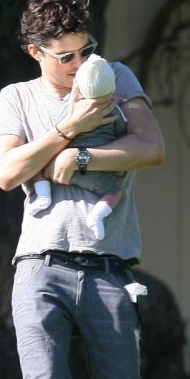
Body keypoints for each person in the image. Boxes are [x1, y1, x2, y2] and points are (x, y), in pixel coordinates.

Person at [0, 0, 164, 379]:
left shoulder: (116, 78)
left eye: (85, 49)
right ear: (34, 52)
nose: (79, 63)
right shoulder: (16, 97)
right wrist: (68, 130)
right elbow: (7, 172)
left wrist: (82, 156)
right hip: (39, 267)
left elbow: (150, 147)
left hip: (110, 269)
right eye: (64, 56)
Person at [27, 53, 127, 241]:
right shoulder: (114, 110)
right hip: (94, 171)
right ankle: (96, 216)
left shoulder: (73, 109)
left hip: (56, 165)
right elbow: (123, 132)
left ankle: (43, 195)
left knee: (34, 161)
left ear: (78, 87)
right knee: (115, 193)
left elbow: (59, 128)